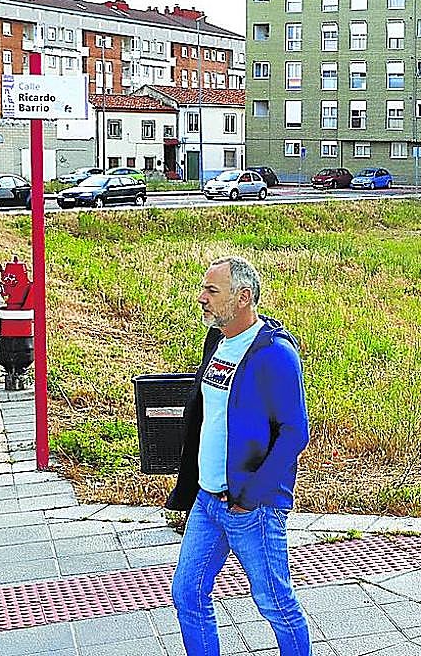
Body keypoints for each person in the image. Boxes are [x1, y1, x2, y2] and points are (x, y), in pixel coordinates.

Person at [167, 256, 312, 656]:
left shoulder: (275, 354)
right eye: (204, 289)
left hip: (252, 508)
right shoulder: (217, 341)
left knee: (276, 605)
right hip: (208, 501)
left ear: (243, 297)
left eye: (212, 291)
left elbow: (295, 433)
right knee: (188, 595)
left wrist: (250, 496)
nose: (202, 298)